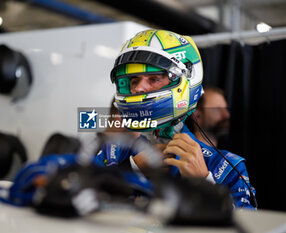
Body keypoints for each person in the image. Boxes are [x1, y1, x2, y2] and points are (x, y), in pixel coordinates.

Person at [105, 29, 256, 209]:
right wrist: (130, 169)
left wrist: (204, 183)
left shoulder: (226, 167)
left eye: (153, 79)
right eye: (134, 80)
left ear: (186, 81)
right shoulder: (111, 153)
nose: (138, 88)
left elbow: (248, 224)